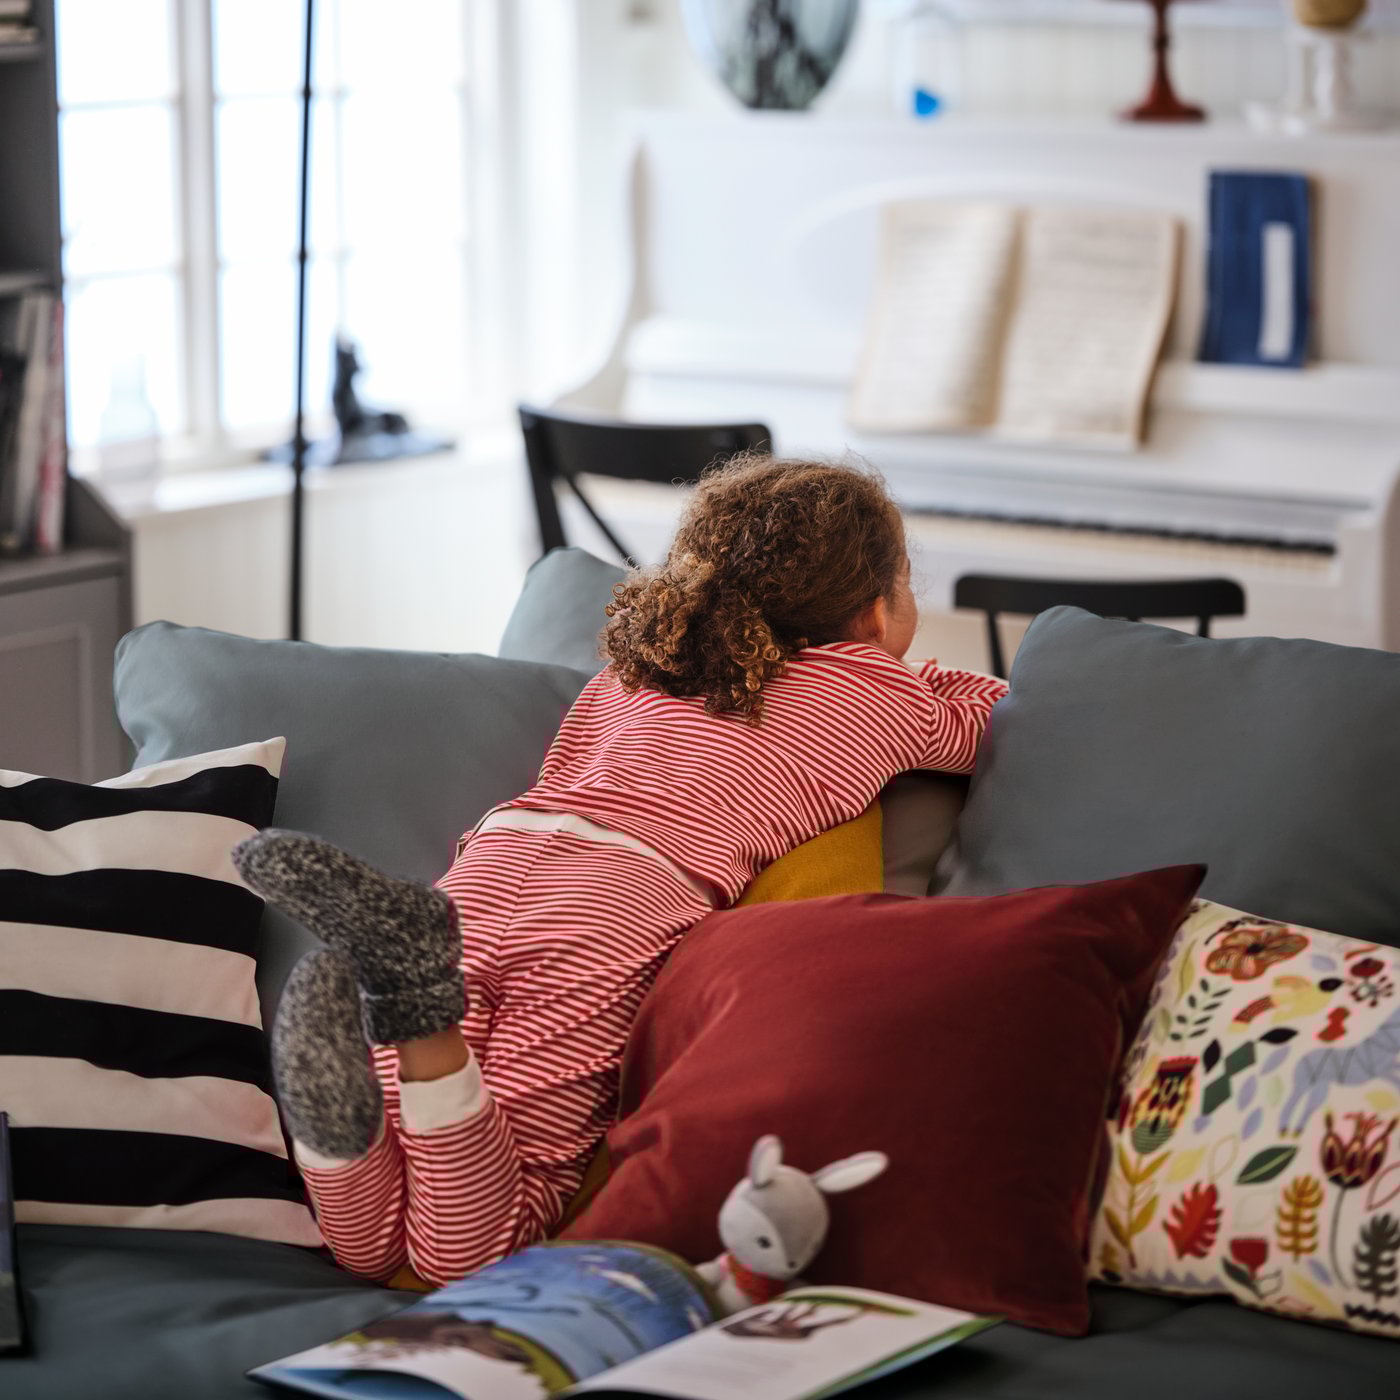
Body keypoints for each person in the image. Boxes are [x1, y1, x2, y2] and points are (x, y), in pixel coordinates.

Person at [233, 453, 1009, 1287]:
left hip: (496, 865)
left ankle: (347, 1113)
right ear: (873, 609)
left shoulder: (640, 666)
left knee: (383, 1241)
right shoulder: (875, 690)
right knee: (483, 1243)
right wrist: (912, 671)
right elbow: (996, 716)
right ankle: (420, 1023)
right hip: (617, 904)